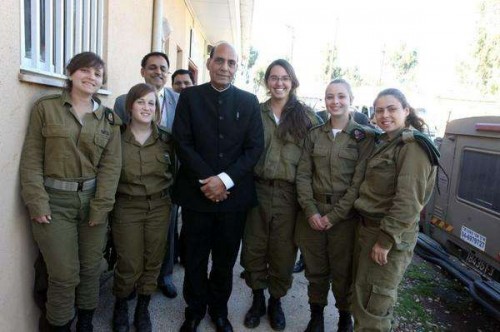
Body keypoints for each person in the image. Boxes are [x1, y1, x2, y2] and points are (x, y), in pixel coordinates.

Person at [20, 52, 122, 331]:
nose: (92, 77)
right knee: (64, 275)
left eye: (98, 74)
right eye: (85, 71)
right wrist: (37, 202)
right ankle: (59, 324)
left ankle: (85, 323)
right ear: (70, 72)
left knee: (91, 269)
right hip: (54, 202)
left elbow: (111, 168)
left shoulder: (109, 119)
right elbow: (31, 159)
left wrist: (101, 207)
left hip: (92, 202)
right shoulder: (46, 108)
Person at [172, 41, 264, 332]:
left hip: (233, 199)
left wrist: (224, 181)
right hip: (196, 195)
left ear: (237, 68)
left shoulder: (249, 102)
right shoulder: (190, 98)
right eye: (220, 61)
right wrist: (209, 180)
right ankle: (194, 310)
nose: (225, 67)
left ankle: (219, 311)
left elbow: (254, 148)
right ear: (209, 62)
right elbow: (182, 142)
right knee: (195, 259)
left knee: (225, 261)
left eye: (231, 63)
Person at [240, 59, 322, 331]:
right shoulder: (255, 112)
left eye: (284, 78)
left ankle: (276, 301)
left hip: (289, 195)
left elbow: (318, 157)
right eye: (274, 78)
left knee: (283, 252)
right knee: (254, 248)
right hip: (257, 190)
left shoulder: (307, 118)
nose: (279, 83)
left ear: (293, 81)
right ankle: (257, 299)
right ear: (267, 82)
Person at [352, 88, 438, 331]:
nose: (384, 115)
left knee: (373, 307)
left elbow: (408, 202)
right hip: (370, 230)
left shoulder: (412, 147)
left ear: (406, 111)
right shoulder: (389, 141)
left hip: (387, 236)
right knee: (363, 298)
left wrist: (386, 240)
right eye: (379, 111)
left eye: (391, 109)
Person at [295, 79, 376, 332]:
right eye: (330, 96)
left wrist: (335, 216)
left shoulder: (363, 138)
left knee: (343, 272)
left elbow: (358, 182)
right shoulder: (314, 135)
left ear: (351, 99)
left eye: (341, 96)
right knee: (316, 270)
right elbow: (303, 175)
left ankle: (344, 317)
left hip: (345, 219)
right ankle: (316, 315)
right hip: (314, 213)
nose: (335, 101)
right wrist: (311, 211)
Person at [114, 52, 180, 299]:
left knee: (162, 242)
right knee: (130, 251)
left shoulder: (179, 101)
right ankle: (129, 287)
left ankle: (163, 278)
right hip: (130, 190)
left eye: (163, 68)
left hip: (162, 187)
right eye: (152, 67)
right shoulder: (122, 102)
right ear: (142, 70)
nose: (158, 72)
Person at [111, 83, 175, 332]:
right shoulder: (116, 137)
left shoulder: (167, 139)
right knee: (128, 262)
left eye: (151, 103)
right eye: (141, 102)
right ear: (130, 106)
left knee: (153, 260)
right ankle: (121, 304)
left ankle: (142, 307)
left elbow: (176, 173)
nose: (146, 107)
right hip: (127, 207)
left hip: (160, 206)